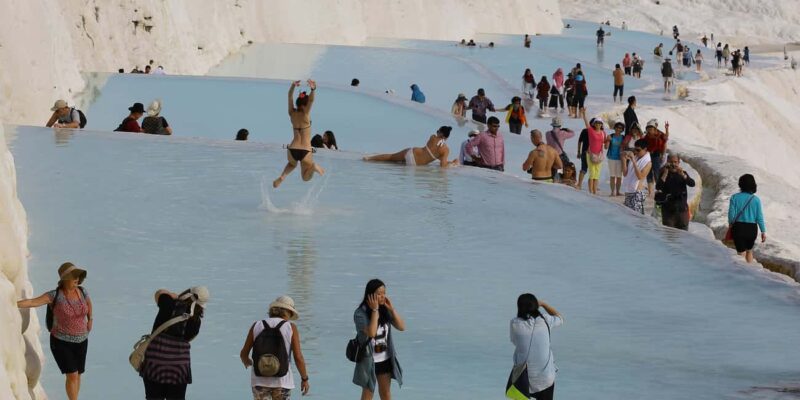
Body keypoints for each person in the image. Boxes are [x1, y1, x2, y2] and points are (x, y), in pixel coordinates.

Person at [17, 262, 92, 400]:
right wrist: (11, 302)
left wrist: (90, 319)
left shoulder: (82, 291)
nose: (76, 279)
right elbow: (33, 302)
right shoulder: (54, 295)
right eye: (73, 276)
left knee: (78, 374)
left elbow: (88, 303)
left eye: (77, 276)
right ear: (64, 279)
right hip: (61, 342)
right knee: (72, 374)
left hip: (82, 341)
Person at [139, 287, 208, 400]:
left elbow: (159, 292)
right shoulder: (196, 322)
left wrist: (174, 296)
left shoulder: (168, 303)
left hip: (155, 363)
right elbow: (188, 339)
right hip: (179, 368)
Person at [240, 296, 310, 400]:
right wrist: (304, 379)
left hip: (259, 380)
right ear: (289, 313)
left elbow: (243, 354)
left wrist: (248, 362)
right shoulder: (291, 327)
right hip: (282, 381)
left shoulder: (257, 325)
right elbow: (298, 357)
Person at [353, 279, 405, 400]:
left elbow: (402, 327)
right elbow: (371, 332)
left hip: (385, 359)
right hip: (368, 360)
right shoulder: (360, 313)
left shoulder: (385, 310)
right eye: (379, 294)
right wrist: (375, 310)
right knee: (368, 394)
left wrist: (392, 310)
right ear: (370, 295)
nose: (382, 297)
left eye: (384, 293)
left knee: (386, 394)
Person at [509, 293, 563, 400]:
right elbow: (560, 318)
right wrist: (543, 304)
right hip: (545, 380)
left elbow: (514, 341)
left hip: (522, 379)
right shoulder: (546, 320)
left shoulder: (515, 324)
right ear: (535, 306)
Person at [273, 80, 325, 188]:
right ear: (306, 104)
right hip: (306, 149)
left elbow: (289, 97)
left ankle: (282, 176)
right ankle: (314, 167)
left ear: (297, 102)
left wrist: (293, 86)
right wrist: (313, 89)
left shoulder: (292, 113)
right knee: (305, 178)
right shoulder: (306, 114)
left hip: (292, 149)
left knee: (292, 164)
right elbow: (311, 100)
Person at [364, 126, 454, 167]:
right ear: (447, 137)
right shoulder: (446, 150)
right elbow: (443, 165)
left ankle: (369, 158)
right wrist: (453, 163)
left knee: (390, 157)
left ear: (441, 133)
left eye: (437, 131)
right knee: (394, 164)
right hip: (415, 165)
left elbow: (429, 151)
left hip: (412, 153)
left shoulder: (433, 137)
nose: (436, 132)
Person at [727, 174, 767, 263]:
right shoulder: (756, 199)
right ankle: (750, 272)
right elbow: (759, 217)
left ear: (740, 184)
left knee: (741, 253)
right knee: (749, 250)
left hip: (739, 227)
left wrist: (730, 224)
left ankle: (742, 274)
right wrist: (763, 231)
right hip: (752, 229)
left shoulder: (735, 197)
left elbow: (731, 214)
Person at [656, 153, 695, 230]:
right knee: (669, 234)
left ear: (678, 162)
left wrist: (683, 175)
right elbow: (658, 187)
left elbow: (692, 184)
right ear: (667, 161)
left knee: (683, 234)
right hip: (668, 210)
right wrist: (665, 173)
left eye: (675, 162)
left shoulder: (682, 173)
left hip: (681, 209)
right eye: (671, 162)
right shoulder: (663, 173)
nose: (673, 164)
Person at [621, 139, 652, 214]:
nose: (636, 152)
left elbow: (640, 176)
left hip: (638, 192)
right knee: (627, 215)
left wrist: (633, 161)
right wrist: (623, 159)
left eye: (638, 150)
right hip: (629, 191)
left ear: (645, 149)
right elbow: (625, 174)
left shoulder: (648, 162)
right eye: (635, 149)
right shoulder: (636, 157)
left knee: (635, 216)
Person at [581, 110, 607, 195]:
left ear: (601, 124)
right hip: (591, 154)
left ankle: (595, 191)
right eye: (596, 123)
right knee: (592, 174)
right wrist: (584, 114)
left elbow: (605, 143)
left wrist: (609, 141)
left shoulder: (603, 133)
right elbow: (586, 123)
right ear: (594, 124)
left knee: (597, 175)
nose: (598, 124)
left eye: (599, 123)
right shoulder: (591, 131)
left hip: (599, 155)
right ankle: (591, 191)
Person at [645, 119, 669, 196]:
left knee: (656, 172)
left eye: (651, 128)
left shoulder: (660, 134)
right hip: (648, 154)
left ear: (655, 128)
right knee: (648, 172)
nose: (649, 130)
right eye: (648, 128)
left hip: (657, 155)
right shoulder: (647, 135)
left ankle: (659, 189)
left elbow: (666, 139)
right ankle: (650, 192)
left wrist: (667, 129)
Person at [605, 122, 625, 196]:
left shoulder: (623, 137)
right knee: (612, 175)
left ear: (622, 129)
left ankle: (618, 191)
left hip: (620, 158)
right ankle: (612, 192)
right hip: (611, 158)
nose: (618, 129)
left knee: (619, 176)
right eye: (617, 127)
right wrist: (607, 140)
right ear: (615, 128)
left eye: (620, 128)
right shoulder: (611, 136)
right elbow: (606, 147)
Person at [576, 125, 589, 190]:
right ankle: (579, 184)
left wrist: (578, 152)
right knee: (587, 169)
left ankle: (579, 184)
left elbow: (579, 141)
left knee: (584, 169)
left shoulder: (585, 130)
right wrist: (578, 152)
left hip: (585, 152)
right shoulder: (585, 131)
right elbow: (580, 141)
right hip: (588, 153)